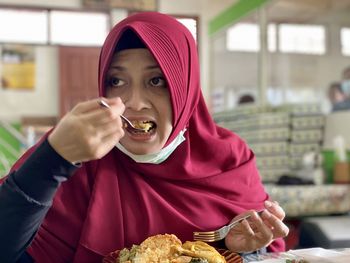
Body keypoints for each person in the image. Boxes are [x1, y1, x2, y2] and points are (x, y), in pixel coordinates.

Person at [0, 12, 289, 263]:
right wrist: (53, 159)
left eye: (156, 80)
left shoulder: (230, 158)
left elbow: (269, 250)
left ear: (185, 89)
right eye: (116, 81)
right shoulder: (76, 154)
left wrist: (233, 248)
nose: (134, 102)